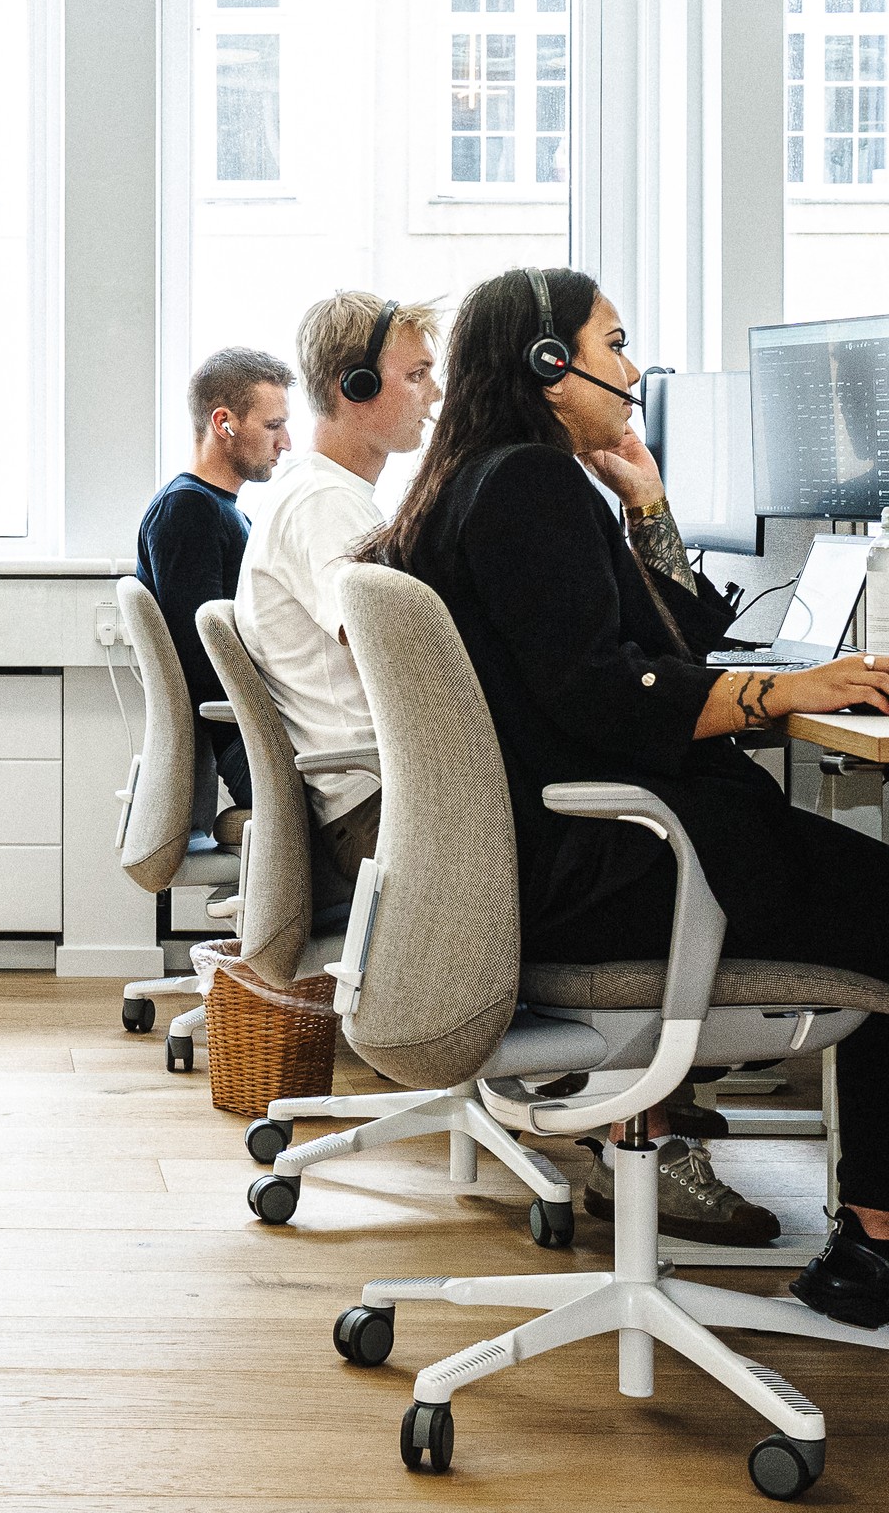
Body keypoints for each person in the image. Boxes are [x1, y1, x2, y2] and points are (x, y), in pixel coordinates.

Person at [361, 265, 889, 1281]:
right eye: (613, 343)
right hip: (613, 872)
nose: (632, 367)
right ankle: (869, 1243)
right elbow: (614, 692)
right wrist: (792, 689)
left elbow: (674, 640)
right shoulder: (527, 481)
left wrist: (644, 500)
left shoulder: (470, 480)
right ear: (548, 365)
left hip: (562, 868)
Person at [235, 293, 441, 887]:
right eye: (417, 374)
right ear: (353, 386)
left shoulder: (334, 497)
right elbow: (395, 647)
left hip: (375, 796)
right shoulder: (324, 505)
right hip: (374, 810)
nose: (434, 394)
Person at [136, 347, 293, 816]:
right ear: (223, 423)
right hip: (250, 749)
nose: (286, 442)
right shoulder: (189, 511)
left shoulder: (224, 510)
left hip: (259, 737)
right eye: (273, 426)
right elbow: (206, 662)